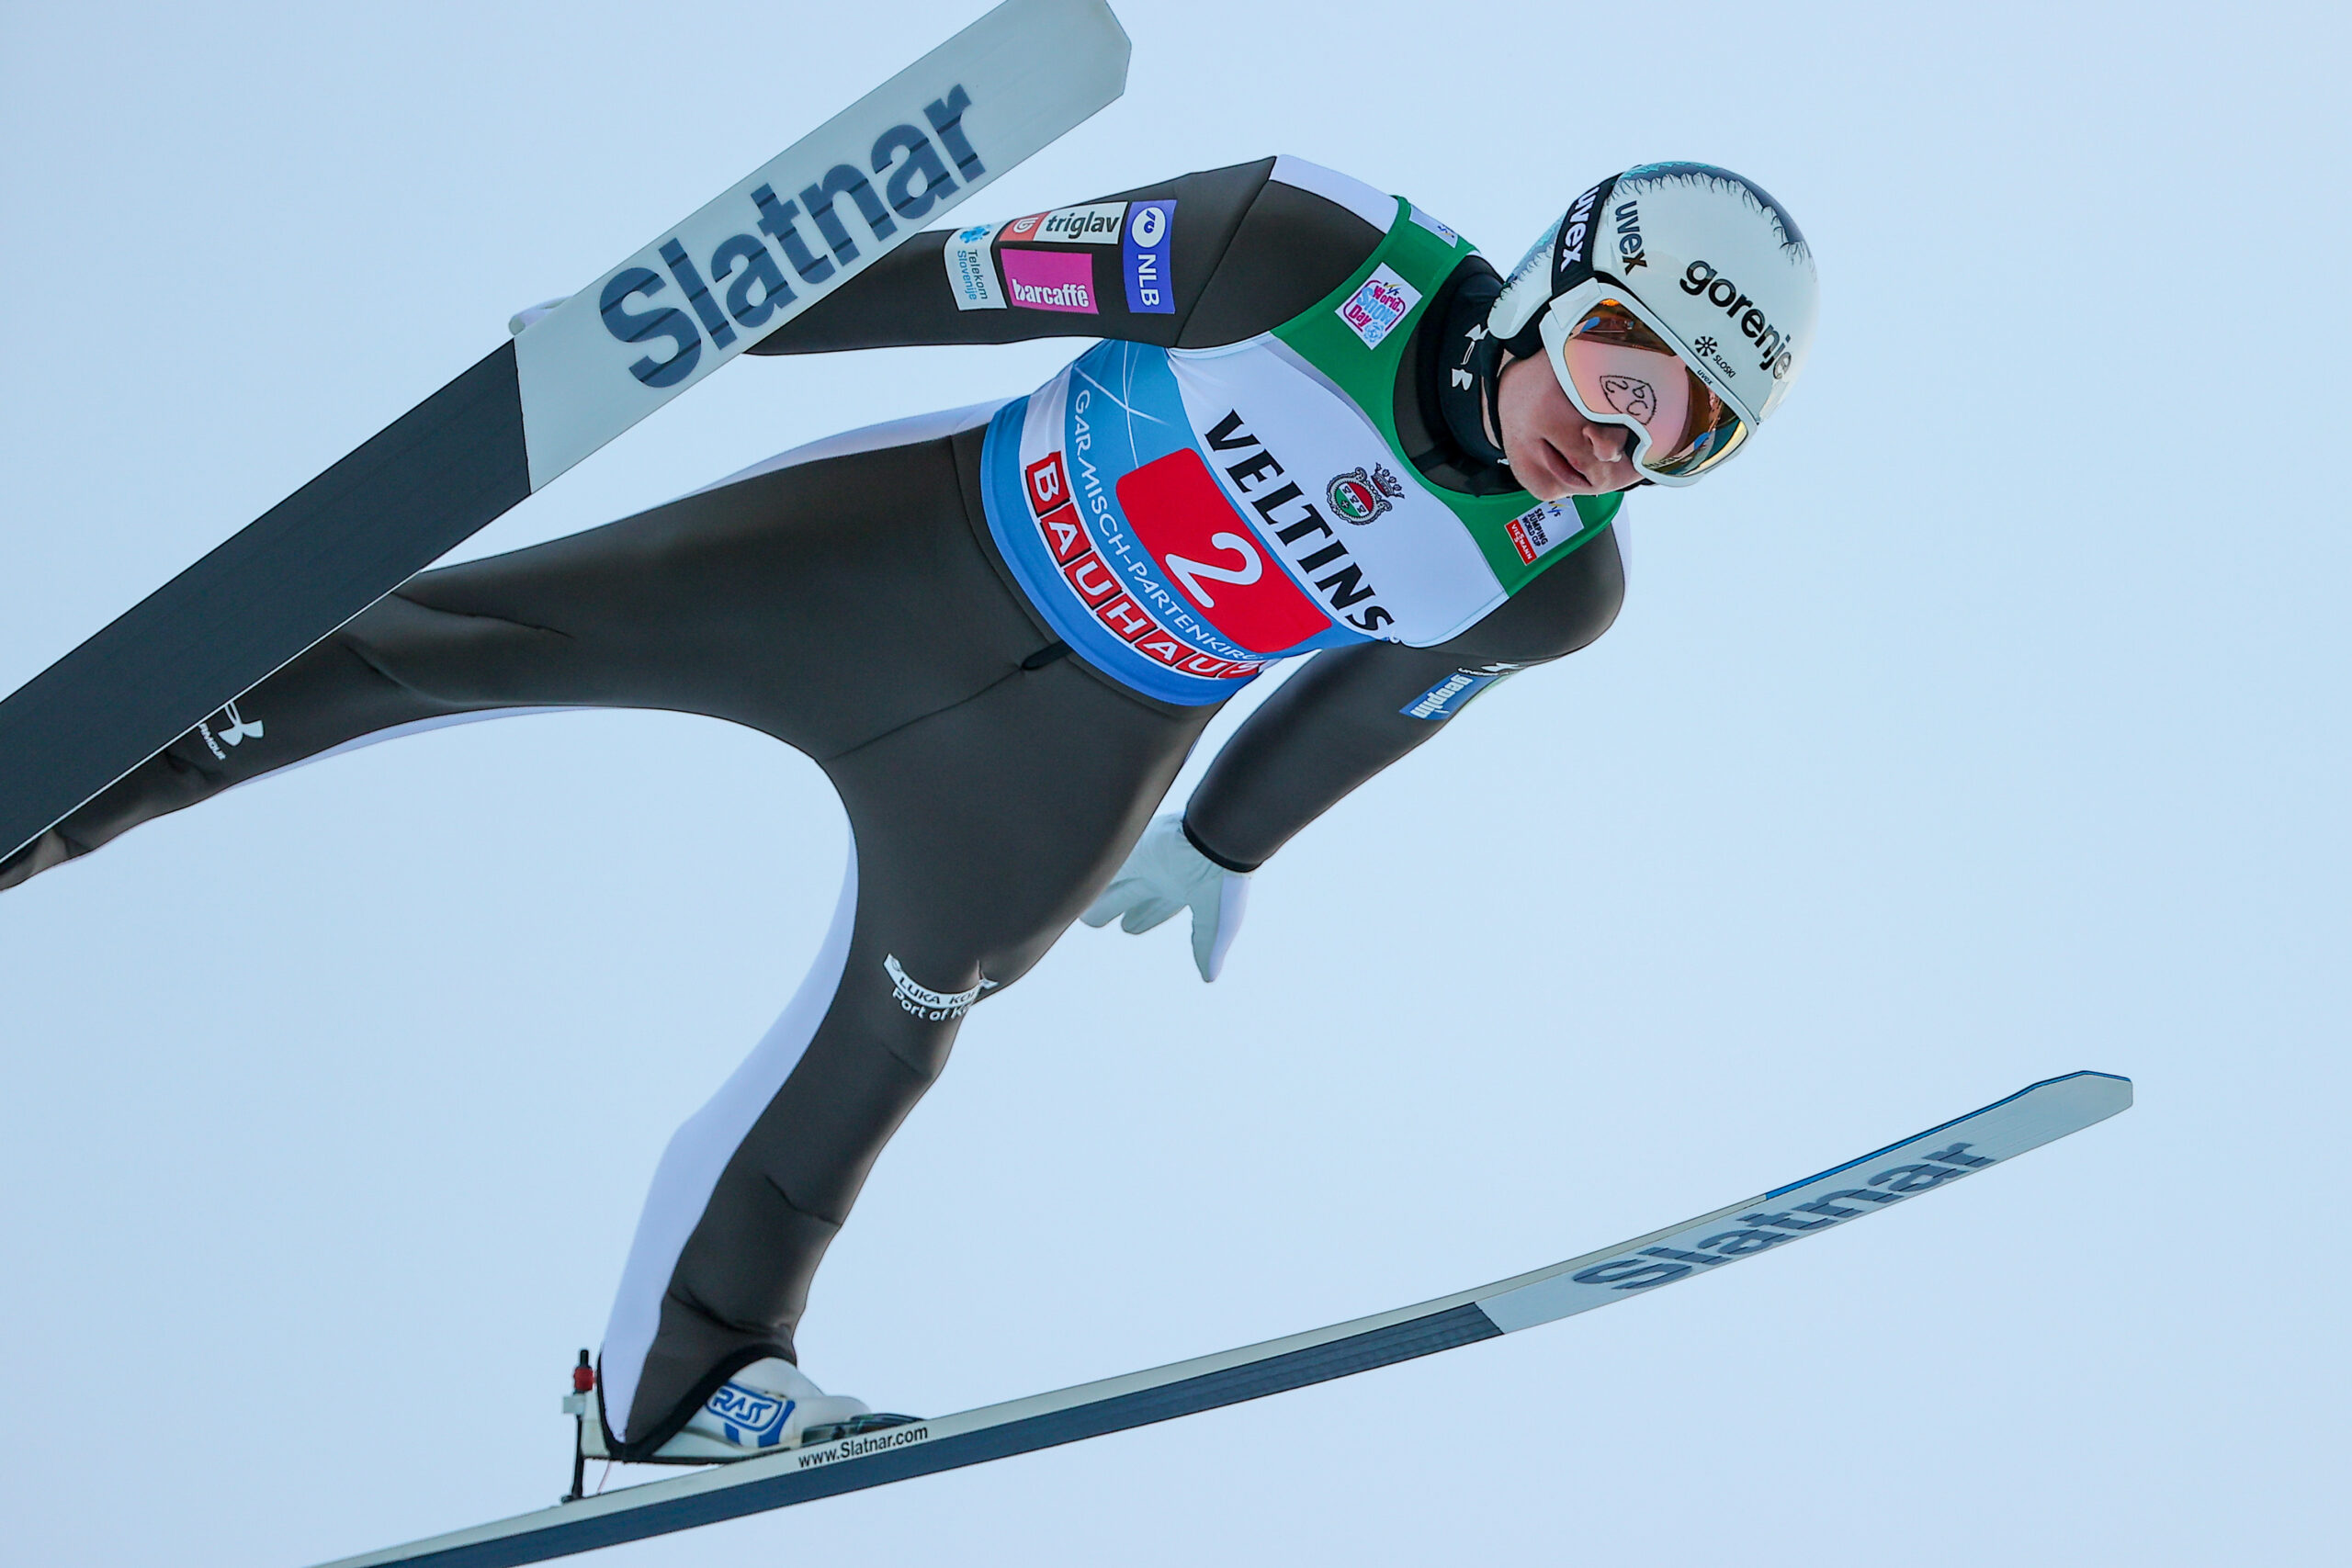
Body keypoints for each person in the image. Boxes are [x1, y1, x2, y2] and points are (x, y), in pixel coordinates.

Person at [0, 156, 1817, 1460]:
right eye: (1612, 364)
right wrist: (693, 328)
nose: (1620, 436)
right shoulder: (1304, 250)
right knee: (433, 644)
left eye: (1688, 434)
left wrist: (1220, 839)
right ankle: (44, 798)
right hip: (890, 557)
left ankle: (695, 1380)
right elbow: (975, 275)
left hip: (1068, 760)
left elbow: (1368, 700)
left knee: (893, 1040)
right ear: (1537, 287)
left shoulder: (1551, 583)